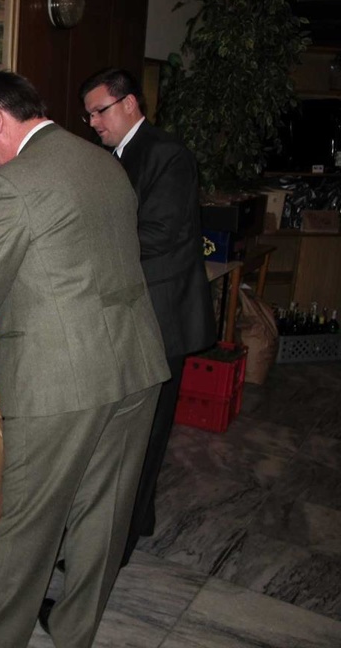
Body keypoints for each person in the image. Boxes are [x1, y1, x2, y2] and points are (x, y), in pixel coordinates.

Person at [0, 70, 169, 648]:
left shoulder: (12, 184)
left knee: (32, 510)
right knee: (105, 511)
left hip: (63, 377)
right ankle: (75, 626)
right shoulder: (103, 162)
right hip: (135, 361)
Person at [79, 68, 215, 566]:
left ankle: (114, 549)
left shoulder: (166, 154)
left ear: (130, 103)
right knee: (137, 433)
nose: (93, 122)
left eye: (100, 111)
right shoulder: (117, 155)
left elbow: (160, 233)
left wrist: (85, 245)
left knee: (144, 435)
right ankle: (140, 520)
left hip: (161, 317)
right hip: (136, 312)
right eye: (89, 115)